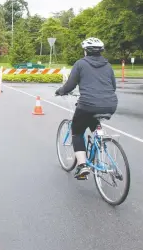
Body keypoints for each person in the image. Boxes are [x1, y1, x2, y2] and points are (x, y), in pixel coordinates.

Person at [55, 37, 118, 179]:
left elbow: (70, 85)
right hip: (110, 103)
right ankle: (99, 139)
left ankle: (82, 165)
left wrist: (61, 91)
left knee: (77, 131)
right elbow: (113, 87)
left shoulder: (80, 64)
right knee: (92, 121)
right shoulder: (108, 66)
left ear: (86, 51)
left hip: (88, 104)